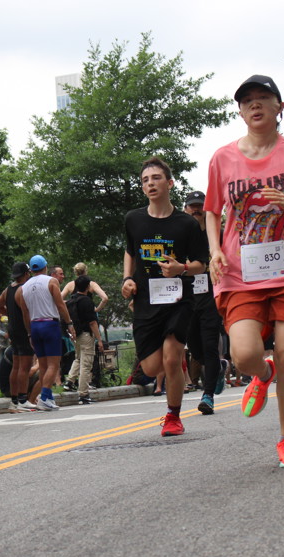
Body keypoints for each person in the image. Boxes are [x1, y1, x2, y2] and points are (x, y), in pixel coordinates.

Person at [205, 75, 284, 467]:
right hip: (241, 275)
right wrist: (214, 250)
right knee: (243, 355)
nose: (255, 105)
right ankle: (263, 372)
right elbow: (212, 211)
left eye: (263, 98)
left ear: (279, 107)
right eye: (247, 101)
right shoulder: (223, 158)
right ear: (241, 112)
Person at [123, 157, 207, 436]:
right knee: (150, 367)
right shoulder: (133, 219)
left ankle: (173, 416)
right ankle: (173, 364)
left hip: (178, 299)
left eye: (156, 178)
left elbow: (201, 264)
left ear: (169, 183)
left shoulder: (186, 224)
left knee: (171, 359)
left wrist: (181, 269)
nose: (150, 184)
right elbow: (130, 251)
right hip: (146, 301)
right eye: (145, 180)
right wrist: (127, 280)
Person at [181, 190, 226, 415]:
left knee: (209, 345)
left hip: (211, 295)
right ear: (185, 209)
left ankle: (207, 396)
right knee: (195, 348)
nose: (196, 210)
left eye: (200, 206)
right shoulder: (179, 234)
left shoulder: (218, 234)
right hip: (187, 296)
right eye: (192, 206)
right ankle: (218, 368)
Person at [16, 254, 74, 411]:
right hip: (50, 324)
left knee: (42, 365)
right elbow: (60, 305)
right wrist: (69, 323)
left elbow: (25, 313)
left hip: (34, 326)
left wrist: (29, 333)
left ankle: (48, 398)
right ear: (45, 267)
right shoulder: (51, 281)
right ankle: (44, 396)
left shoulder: (23, 288)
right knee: (54, 364)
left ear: (31, 270)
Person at [0, 261, 37, 412]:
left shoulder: (8, 289)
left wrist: (10, 314)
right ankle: (23, 400)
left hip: (12, 329)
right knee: (25, 366)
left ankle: (14, 400)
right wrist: (30, 332)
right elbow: (26, 313)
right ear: (26, 274)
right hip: (23, 329)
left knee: (16, 365)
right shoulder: (24, 289)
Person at [70, 275, 103, 405]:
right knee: (86, 364)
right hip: (86, 335)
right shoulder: (87, 301)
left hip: (76, 335)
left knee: (78, 359)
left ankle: (70, 381)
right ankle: (83, 394)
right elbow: (92, 322)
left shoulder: (72, 300)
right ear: (88, 286)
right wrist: (99, 340)